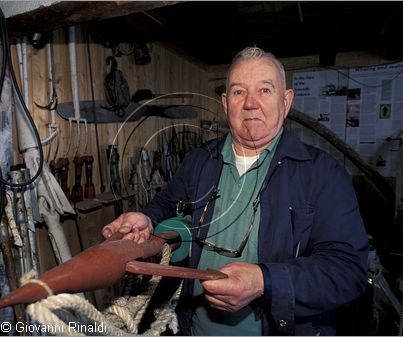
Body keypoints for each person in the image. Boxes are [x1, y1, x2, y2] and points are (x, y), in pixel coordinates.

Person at [102, 46, 369, 335]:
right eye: (239, 92)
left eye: (265, 90)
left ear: (286, 101)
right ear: (226, 102)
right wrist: (148, 218)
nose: (251, 103)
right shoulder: (199, 161)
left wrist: (265, 281)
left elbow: (347, 270)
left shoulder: (323, 173)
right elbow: (168, 204)